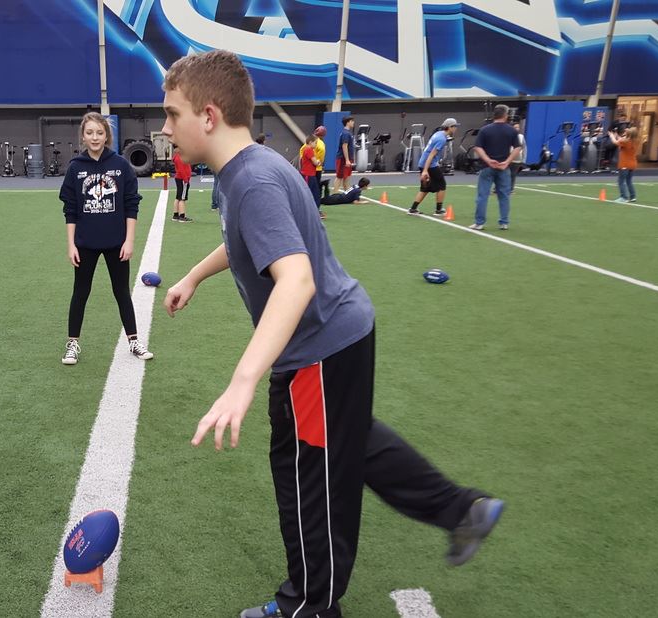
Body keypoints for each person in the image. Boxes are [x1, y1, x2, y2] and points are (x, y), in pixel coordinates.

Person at [159, 50, 503, 618]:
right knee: (350, 443)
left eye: (173, 114)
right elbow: (252, 240)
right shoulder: (253, 170)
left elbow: (294, 278)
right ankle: (461, 510)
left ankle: (310, 606)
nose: (165, 128)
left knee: (306, 477)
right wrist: (195, 275)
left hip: (316, 351)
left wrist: (243, 380)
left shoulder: (253, 182)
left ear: (210, 115)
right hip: (348, 329)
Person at [60, 111, 154, 365]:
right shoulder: (76, 168)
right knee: (80, 292)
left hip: (116, 244)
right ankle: (72, 344)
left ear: (107, 135)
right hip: (85, 244)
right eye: (89, 133)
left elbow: (131, 205)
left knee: (122, 291)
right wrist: (71, 245)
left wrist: (129, 240)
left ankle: (134, 340)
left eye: (99, 133)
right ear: (83, 135)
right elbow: (70, 210)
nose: (94, 137)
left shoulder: (121, 165)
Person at [470, 105, 522, 231]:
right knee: (504, 195)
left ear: (494, 115)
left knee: (483, 195)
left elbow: (477, 147)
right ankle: (504, 222)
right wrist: (507, 161)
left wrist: (488, 160)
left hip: (487, 167)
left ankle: (479, 223)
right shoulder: (511, 131)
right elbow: (518, 148)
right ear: (506, 115)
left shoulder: (485, 130)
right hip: (504, 167)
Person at [408, 118, 457, 216]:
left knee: (425, 188)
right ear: (450, 127)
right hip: (430, 165)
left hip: (423, 163)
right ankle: (438, 210)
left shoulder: (438, 134)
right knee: (442, 185)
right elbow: (431, 155)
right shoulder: (441, 139)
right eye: (455, 126)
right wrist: (425, 171)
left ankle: (413, 209)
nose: (456, 128)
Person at [299, 134, 323, 218]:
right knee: (310, 193)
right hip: (308, 175)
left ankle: (314, 211)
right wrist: (319, 162)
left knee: (315, 193)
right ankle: (309, 211)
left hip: (310, 175)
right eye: (315, 143)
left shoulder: (306, 150)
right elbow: (315, 162)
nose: (316, 145)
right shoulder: (309, 150)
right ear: (310, 142)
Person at [611, 127, 638, 203]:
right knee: (629, 181)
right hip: (633, 164)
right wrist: (617, 135)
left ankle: (624, 197)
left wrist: (612, 136)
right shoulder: (635, 141)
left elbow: (616, 142)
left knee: (621, 181)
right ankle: (633, 197)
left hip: (625, 164)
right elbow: (622, 140)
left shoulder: (626, 141)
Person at [172, 144, 194, 222]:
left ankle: (175, 215)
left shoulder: (178, 156)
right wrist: (186, 180)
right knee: (182, 198)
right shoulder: (180, 157)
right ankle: (182, 216)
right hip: (183, 179)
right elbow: (182, 170)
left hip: (180, 178)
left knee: (178, 197)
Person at [336, 117, 355, 192]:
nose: (353, 122)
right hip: (343, 159)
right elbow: (344, 146)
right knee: (339, 177)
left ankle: (347, 193)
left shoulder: (347, 133)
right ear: (347, 122)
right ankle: (335, 194)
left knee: (347, 176)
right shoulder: (345, 133)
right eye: (352, 121)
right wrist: (347, 160)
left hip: (347, 158)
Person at [509, 121, 526, 193]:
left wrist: (523, 159)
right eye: (515, 127)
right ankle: (497, 189)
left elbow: (524, 148)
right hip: (507, 159)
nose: (517, 129)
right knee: (502, 175)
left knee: (513, 175)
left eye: (518, 127)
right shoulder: (507, 135)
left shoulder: (521, 137)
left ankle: (511, 189)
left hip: (517, 160)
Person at [313, 125, 329, 199]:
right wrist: (319, 162)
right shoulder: (320, 143)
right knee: (316, 187)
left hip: (308, 168)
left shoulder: (310, 141)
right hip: (317, 167)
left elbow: (302, 151)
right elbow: (322, 152)